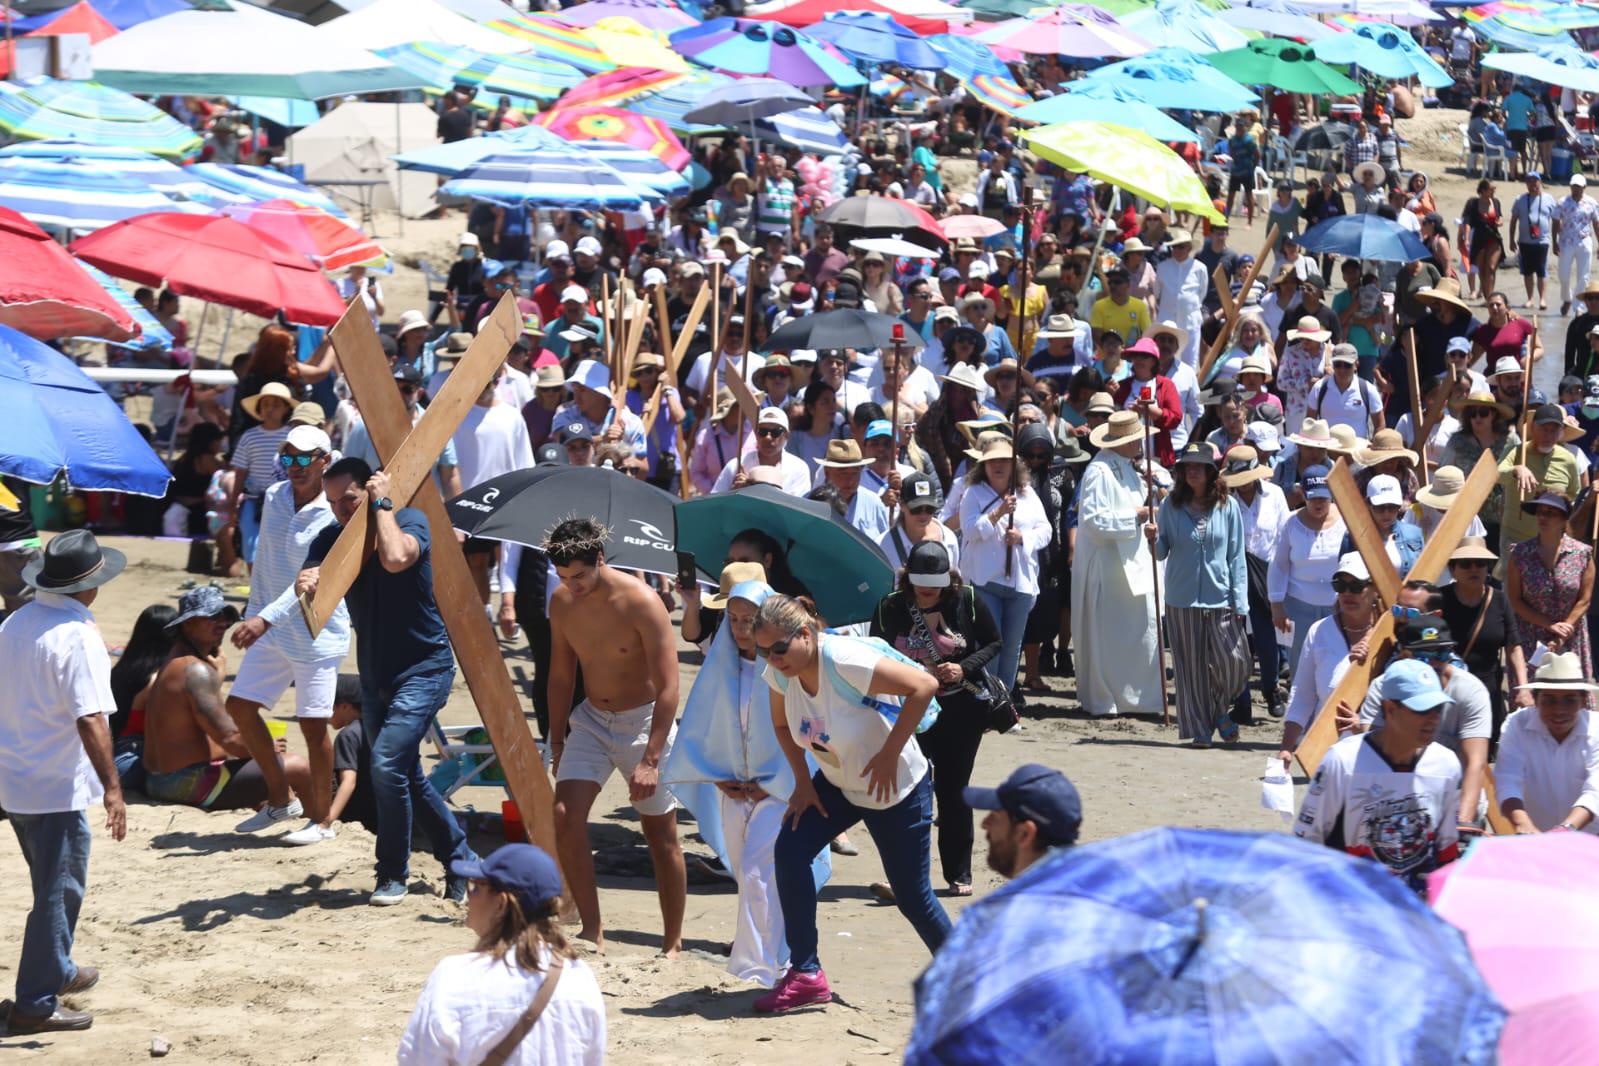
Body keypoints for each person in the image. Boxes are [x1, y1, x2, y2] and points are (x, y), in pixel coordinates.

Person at [754, 594, 949, 1013]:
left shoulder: (842, 660)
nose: (772, 659)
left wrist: (890, 752)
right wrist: (803, 783)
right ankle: (806, 973)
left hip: (894, 789)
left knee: (915, 898)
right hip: (839, 785)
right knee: (790, 849)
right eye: (762, 651)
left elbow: (925, 686)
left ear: (805, 634)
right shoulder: (781, 673)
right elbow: (780, 723)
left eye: (778, 649)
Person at [296, 458, 478, 906]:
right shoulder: (329, 537)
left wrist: (382, 503)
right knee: (406, 774)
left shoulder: (410, 520)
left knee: (386, 767)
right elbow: (310, 583)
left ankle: (391, 873)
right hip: (377, 676)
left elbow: (396, 558)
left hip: (425, 668)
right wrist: (307, 579)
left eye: (349, 499)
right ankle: (461, 858)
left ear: (370, 491)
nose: (339, 511)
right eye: (333, 502)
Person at [0, 531, 127, 1033]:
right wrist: (113, 789)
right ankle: (34, 1000)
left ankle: (58, 968)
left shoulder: (16, 622)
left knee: (49, 880)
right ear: (91, 585)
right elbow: (91, 718)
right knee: (59, 888)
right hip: (53, 784)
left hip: (15, 776)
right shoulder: (77, 635)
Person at [542, 517, 685, 954]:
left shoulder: (642, 601)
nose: (573, 585)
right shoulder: (562, 603)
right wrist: (558, 735)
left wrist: (652, 759)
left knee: (661, 835)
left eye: (580, 575)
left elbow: (669, 687)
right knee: (565, 816)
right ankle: (592, 930)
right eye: (564, 577)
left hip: (644, 723)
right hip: (591, 720)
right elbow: (561, 675)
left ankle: (673, 942)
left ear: (600, 560)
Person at [661, 578, 802, 986]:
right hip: (732, 787)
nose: (741, 628)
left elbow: (795, 730)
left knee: (759, 870)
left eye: (750, 619)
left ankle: (758, 967)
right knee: (745, 873)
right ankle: (779, 953)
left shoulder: (784, 669)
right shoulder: (718, 667)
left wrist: (773, 780)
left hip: (777, 787)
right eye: (734, 619)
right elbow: (706, 726)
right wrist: (719, 774)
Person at [223, 425, 349, 845]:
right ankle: (281, 801)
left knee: (314, 729)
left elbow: (308, 581)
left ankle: (323, 821)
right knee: (240, 707)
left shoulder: (335, 513)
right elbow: (267, 565)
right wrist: (254, 614)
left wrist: (263, 620)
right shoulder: (275, 496)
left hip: (316, 632)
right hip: (272, 628)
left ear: (324, 461)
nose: (295, 467)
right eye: (288, 458)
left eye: (304, 458)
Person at [870, 543, 1002, 896]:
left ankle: (959, 875)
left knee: (952, 790)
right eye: (920, 582)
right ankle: (905, 877)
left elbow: (993, 642)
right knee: (909, 790)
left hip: (962, 711)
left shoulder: (967, 600)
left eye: (935, 583)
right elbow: (875, 654)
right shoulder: (890, 606)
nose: (928, 590)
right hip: (909, 711)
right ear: (907, 578)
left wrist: (963, 667)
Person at [398, 844, 605, 1066]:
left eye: (476, 887)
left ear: (501, 903)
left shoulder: (453, 976)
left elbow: (417, 1059)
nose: (469, 896)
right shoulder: (578, 976)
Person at [1293, 659, 1462, 892]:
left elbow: (1447, 848)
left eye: (1438, 709)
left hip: (1416, 910)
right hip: (1353, 904)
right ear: (1390, 709)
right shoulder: (1343, 761)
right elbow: (1305, 842)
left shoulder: (1446, 764)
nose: (1433, 719)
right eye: (1422, 710)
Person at [143, 585, 314, 811]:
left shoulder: (178, 660)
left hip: (158, 778)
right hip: (181, 781)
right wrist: (265, 748)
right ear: (187, 623)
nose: (222, 623)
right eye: (213, 617)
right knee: (299, 767)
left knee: (266, 770)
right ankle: (317, 823)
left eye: (225, 617)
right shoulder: (195, 670)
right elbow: (230, 739)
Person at [1348, 615, 1493, 833]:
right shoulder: (1383, 688)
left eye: (1442, 653)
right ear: (1405, 654)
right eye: (1425, 655)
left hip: (1456, 798)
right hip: (1392, 799)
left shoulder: (1471, 690)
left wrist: (1463, 822)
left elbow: (1475, 762)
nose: (1435, 663)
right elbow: (1374, 754)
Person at [1148, 442, 1250, 746]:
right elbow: (1162, 551)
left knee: (1236, 662)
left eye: (1198, 466)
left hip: (1221, 597)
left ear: (1210, 471)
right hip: (1181, 598)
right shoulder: (1170, 505)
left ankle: (1220, 708)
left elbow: (1236, 556)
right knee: (1190, 670)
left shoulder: (1227, 505)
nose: (1192, 471)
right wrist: (1152, 538)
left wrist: (1240, 600)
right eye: (1187, 466)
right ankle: (1200, 730)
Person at [1073, 410, 1162, 718]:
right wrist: (1135, 516)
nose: (1140, 444)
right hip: (1108, 565)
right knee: (1109, 635)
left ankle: (1141, 698)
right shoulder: (1099, 471)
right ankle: (1110, 697)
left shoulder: (1130, 467)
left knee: (1142, 628)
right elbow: (1094, 521)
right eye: (1136, 439)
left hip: (1135, 560)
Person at [958, 434, 1052, 695]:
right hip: (987, 580)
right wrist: (998, 513)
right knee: (991, 644)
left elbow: (1046, 530)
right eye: (992, 462)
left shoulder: (1027, 494)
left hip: (1019, 581)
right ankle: (987, 700)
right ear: (983, 466)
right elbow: (969, 531)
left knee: (1012, 646)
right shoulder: (973, 494)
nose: (998, 466)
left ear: (1013, 465)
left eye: (1003, 461)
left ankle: (1005, 702)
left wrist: (1023, 538)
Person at [1276, 553, 1379, 766]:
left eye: (1356, 586)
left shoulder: (1390, 635)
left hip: (1380, 756)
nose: (1347, 593)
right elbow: (1303, 693)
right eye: (1340, 585)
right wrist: (1286, 747)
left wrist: (1367, 724)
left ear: (1375, 589)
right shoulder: (1319, 631)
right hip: (1330, 755)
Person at [1496, 651, 1599, 833]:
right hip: (1534, 839)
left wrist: (1565, 830)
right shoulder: (1516, 725)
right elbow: (1507, 780)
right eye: (1549, 701)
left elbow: (1595, 790)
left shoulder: (1596, 729)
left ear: (1584, 701)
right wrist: (1522, 824)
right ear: (1535, 700)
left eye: (1569, 701)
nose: (1559, 710)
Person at [1440, 537, 1530, 742]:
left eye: (1480, 563)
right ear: (1453, 569)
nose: (1474, 569)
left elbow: (1514, 647)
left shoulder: (1499, 599)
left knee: (1483, 759)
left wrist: (1523, 688)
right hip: (1448, 694)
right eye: (1465, 563)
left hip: (1487, 695)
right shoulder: (1440, 600)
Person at [1270, 465, 1349, 681]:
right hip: (1297, 606)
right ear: (1303, 494)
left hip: (1337, 606)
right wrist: (1277, 605)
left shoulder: (1346, 521)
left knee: (1336, 664)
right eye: (1313, 498)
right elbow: (1278, 565)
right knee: (1299, 665)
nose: (1318, 503)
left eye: (1323, 498)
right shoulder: (1290, 523)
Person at [1507, 490, 1595, 676]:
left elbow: (1585, 599)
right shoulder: (1520, 553)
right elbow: (1514, 600)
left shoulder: (1582, 554)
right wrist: (1549, 624)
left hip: (1570, 637)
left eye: (1550, 513)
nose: (1543, 517)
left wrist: (1563, 631)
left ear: (1564, 519)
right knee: (1532, 697)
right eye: (1540, 512)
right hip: (1532, 638)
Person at [964, 764, 1082, 880]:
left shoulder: (1016, 899)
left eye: (995, 816)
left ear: (1024, 833)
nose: (984, 824)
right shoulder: (1092, 887)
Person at [879, 471, 960, 572]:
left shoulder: (949, 539)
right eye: (916, 509)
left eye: (930, 509)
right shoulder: (883, 545)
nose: (923, 515)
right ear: (902, 505)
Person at [817, 439, 891, 540]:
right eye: (843, 473)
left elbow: (883, 545)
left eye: (855, 473)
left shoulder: (874, 504)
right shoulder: (811, 502)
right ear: (827, 473)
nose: (850, 480)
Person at [1509, 171, 1557, 311]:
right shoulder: (1520, 199)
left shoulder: (1549, 199)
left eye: (1535, 181)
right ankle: (1530, 298)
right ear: (1526, 184)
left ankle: (1542, 299)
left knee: (1541, 270)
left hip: (1542, 241)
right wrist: (1511, 240)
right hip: (1524, 241)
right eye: (1529, 181)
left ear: (1540, 182)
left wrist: (1556, 239)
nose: (1532, 184)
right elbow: (1513, 221)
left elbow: (1556, 219)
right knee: (1527, 271)